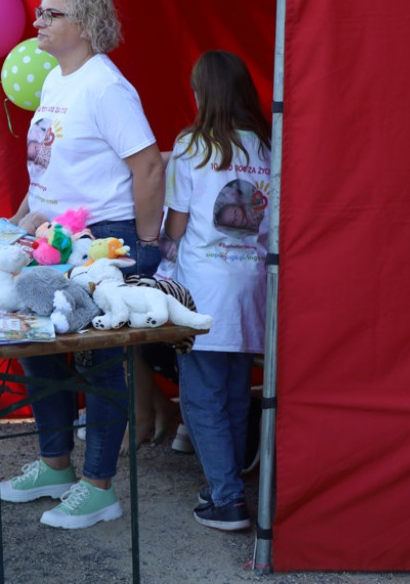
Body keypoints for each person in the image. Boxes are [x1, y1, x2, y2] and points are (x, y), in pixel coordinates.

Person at [4, 0, 165, 529]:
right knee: (39, 347)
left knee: (98, 361)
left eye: (51, 13)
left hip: (100, 241)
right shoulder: (55, 79)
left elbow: (148, 166)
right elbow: (46, 168)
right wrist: (19, 219)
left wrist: (147, 242)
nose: (38, 21)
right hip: (52, 237)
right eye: (39, 10)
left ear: (87, 22)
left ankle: (99, 487)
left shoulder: (106, 86)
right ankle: (55, 465)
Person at [160, 50, 270, 531]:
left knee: (201, 397)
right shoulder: (267, 147)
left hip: (203, 288)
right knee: (235, 392)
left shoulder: (192, 145)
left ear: (203, 94)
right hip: (252, 284)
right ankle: (227, 486)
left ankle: (227, 499)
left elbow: (177, 225)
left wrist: (158, 249)